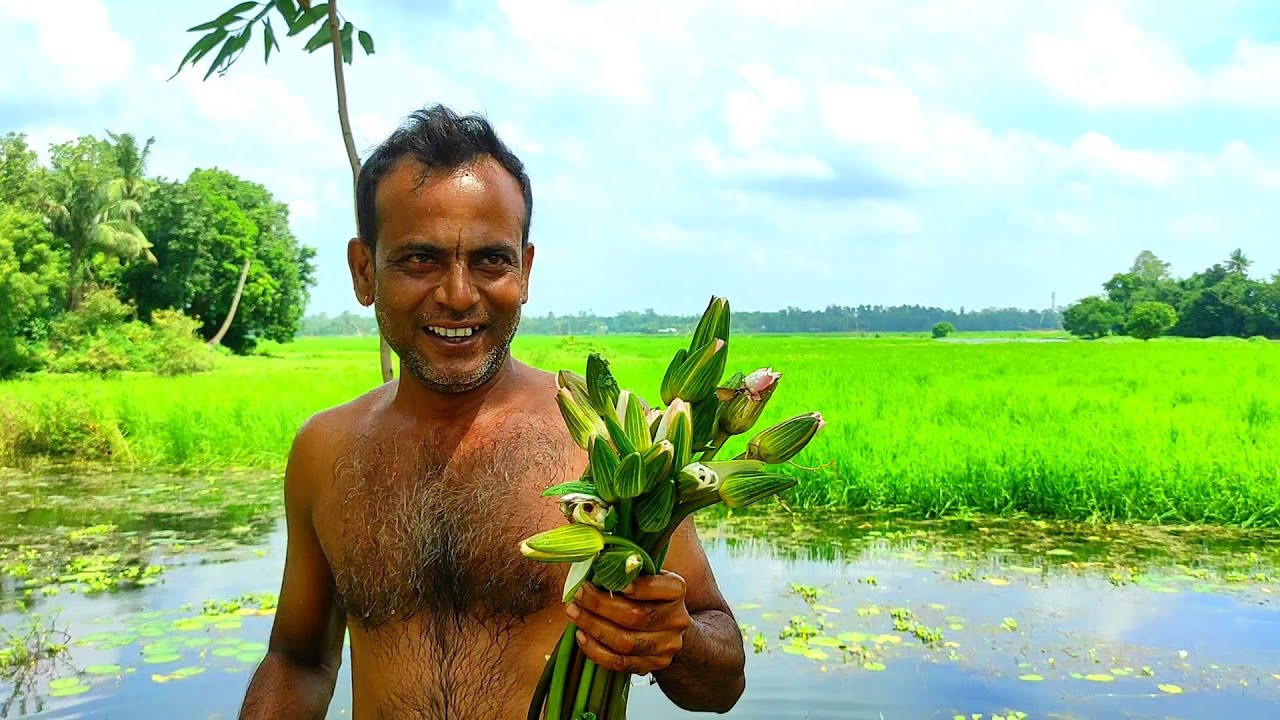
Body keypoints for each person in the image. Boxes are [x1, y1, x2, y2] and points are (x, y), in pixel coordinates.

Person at [238, 105, 747, 719]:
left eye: (490, 261)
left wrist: (673, 638)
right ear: (364, 270)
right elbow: (298, 660)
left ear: (525, 271)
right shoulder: (325, 451)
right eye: (420, 259)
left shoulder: (606, 442)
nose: (457, 295)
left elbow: (721, 682)